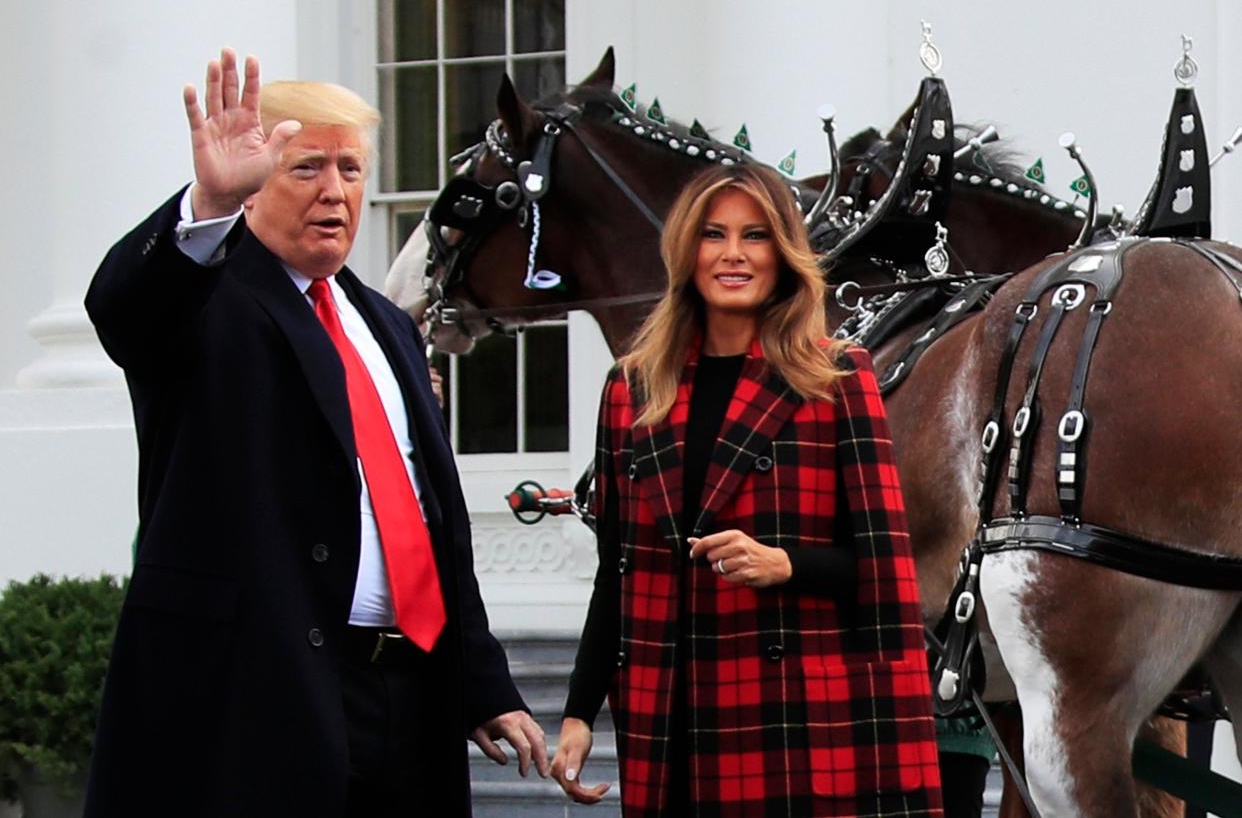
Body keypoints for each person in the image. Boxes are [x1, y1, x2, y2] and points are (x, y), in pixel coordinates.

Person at [84, 48, 546, 816]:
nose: (335, 191)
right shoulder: (206, 299)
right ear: (253, 174)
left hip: (407, 693)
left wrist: (480, 680)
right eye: (306, 168)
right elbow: (124, 308)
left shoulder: (387, 324)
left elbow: (431, 517)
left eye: (351, 169)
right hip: (256, 690)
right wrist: (205, 206)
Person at [549, 164, 944, 815]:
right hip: (669, 713)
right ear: (687, 252)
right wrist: (578, 711)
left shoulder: (838, 377)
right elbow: (617, 572)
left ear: (782, 254)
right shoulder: (633, 388)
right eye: (714, 235)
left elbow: (885, 567)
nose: (733, 254)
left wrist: (785, 562)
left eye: (755, 236)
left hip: (789, 719)